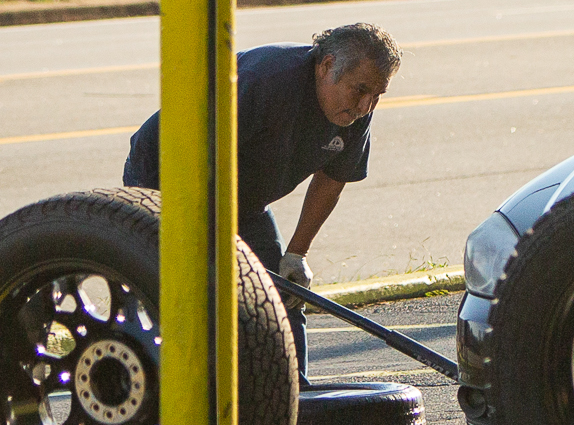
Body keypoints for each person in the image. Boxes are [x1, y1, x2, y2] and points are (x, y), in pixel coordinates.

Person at [122, 22, 401, 350]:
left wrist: (296, 253)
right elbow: (196, 152)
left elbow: (332, 179)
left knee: (281, 295)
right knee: (180, 297)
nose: (366, 106)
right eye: (360, 90)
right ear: (327, 67)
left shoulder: (355, 112)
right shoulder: (267, 81)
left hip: (244, 197)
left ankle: (296, 393)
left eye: (377, 96)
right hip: (171, 178)